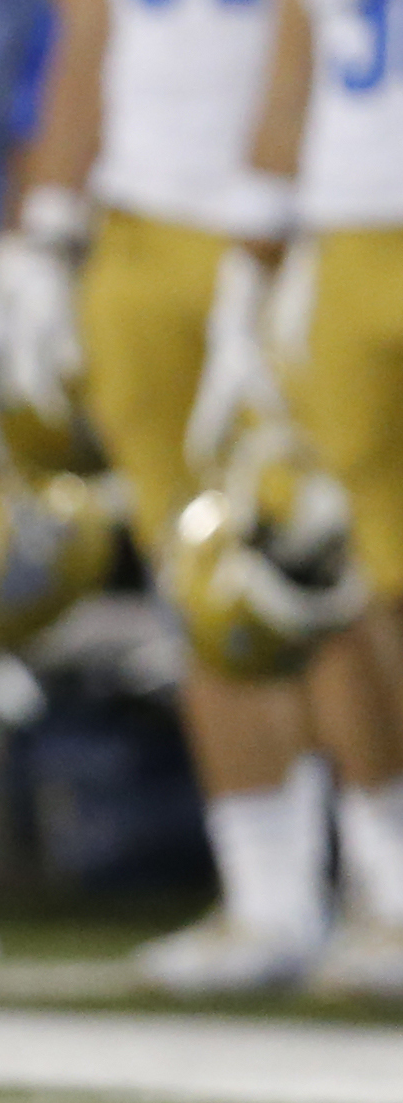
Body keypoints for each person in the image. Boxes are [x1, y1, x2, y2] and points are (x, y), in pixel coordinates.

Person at [0, 0, 403, 992]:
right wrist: (40, 239)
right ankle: (265, 894)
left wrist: (262, 254)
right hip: (145, 220)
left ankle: (385, 883)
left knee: (324, 569)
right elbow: (86, 42)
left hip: (286, 220)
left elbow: (298, 56)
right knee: (202, 570)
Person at [193, 0, 403, 992]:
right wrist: (244, 284)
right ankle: (390, 886)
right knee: (359, 580)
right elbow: (290, 79)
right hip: (346, 243)